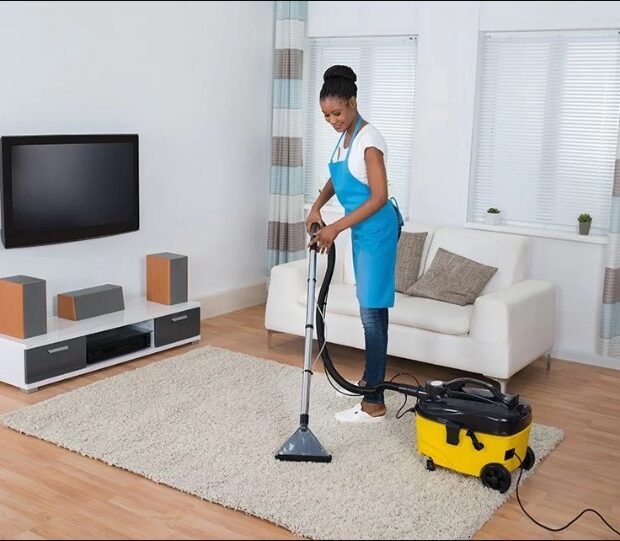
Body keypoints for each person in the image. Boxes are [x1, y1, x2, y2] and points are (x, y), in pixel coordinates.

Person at [307, 65, 403, 424]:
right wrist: (317, 205)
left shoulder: (369, 139)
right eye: (326, 115)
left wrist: (335, 229)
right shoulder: (345, 137)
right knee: (371, 310)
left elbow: (379, 196)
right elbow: (336, 176)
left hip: (376, 230)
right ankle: (371, 387)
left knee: (372, 314)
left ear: (353, 102)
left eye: (337, 113)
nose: (332, 120)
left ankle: (373, 402)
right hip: (362, 231)